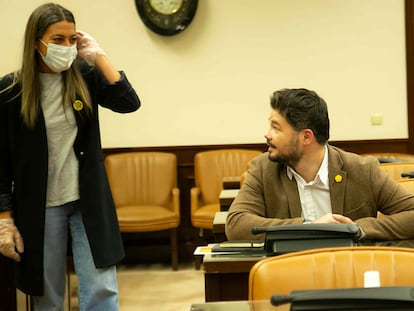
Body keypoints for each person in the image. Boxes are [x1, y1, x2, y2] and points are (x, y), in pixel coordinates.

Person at [0, 3, 140, 310]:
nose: (66, 47)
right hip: (41, 206)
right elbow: (1, 161)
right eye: (57, 40)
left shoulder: (85, 76)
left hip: (86, 200)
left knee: (102, 289)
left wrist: (98, 56)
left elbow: (129, 102)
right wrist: (4, 219)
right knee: (47, 295)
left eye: (71, 39)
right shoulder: (10, 91)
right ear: (36, 42)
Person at [225, 88, 414, 241]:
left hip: (350, 272)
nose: (267, 134)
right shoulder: (263, 169)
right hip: (289, 273)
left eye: (276, 128)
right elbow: (236, 224)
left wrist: (357, 229)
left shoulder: (362, 170)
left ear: (306, 136)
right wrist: (309, 227)